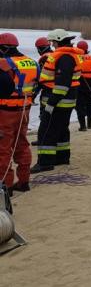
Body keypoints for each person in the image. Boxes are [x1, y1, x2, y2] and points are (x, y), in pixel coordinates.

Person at [31, 29, 83, 173]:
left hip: (58, 102)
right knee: (61, 129)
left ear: (58, 40)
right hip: (66, 101)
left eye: (53, 42)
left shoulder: (64, 57)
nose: (52, 45)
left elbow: (62, 85)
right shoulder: (69, 55)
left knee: (46, 131)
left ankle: (45, 162)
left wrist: (51, 104)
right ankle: (62, 157)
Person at [0, 33, 38, 194]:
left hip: (5, 111)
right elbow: (37, 85)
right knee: (22, 144)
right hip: (24, 110)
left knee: (3, 148)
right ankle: (23, 181)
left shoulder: (3, 64)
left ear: (3, 48)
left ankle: (6, 185)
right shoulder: (32, 62)